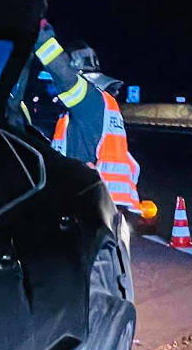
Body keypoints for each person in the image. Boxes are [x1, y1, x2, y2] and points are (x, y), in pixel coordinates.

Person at [34, 20, 141, 212]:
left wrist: (40, 34)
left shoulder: (89, 101)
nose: (53, 88)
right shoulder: (99, 104)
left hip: (92, 201)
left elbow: (63, 76)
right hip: (101, 200)